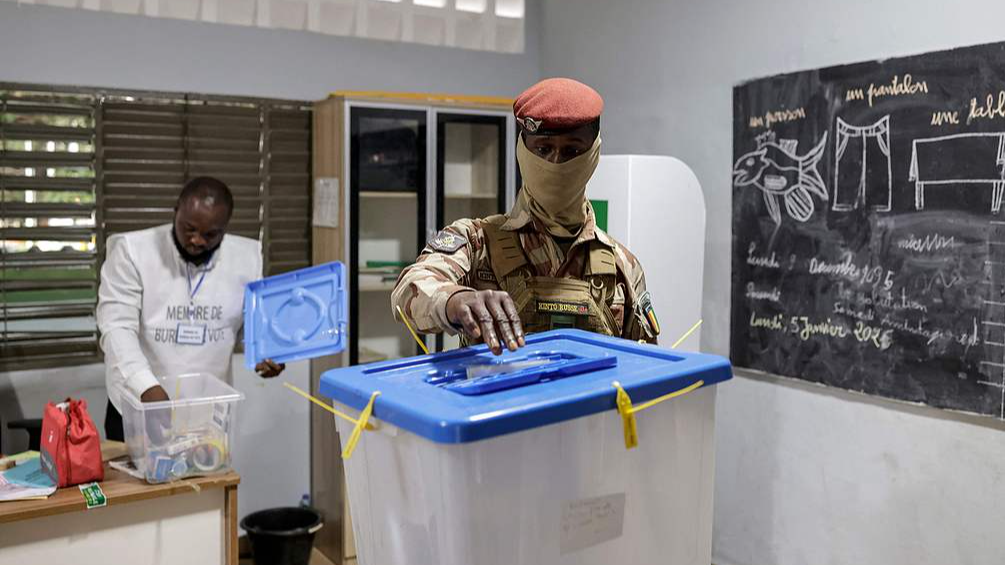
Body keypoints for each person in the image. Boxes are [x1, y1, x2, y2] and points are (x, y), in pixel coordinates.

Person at [392, 78, 660, 355]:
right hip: (498, 399)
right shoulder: (475, 242)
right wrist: (454, 300)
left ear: (593, 154)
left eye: (572, 151)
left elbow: (642, 364)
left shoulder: (621, 267)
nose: (555, 163)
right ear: (523, 150)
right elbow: (411, 289)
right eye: (543, 149)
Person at [98, 177, 284, 441]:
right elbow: (116, 327)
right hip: (140, 402)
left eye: (211, 235)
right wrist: (145, 386)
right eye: (189, 229)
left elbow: (248, 326)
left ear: (225, 229)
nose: (197, 240)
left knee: (207, 481)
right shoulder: (132, 251)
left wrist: (267, 350)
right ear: (176, 211)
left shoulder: (247, 258)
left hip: (207, 410)